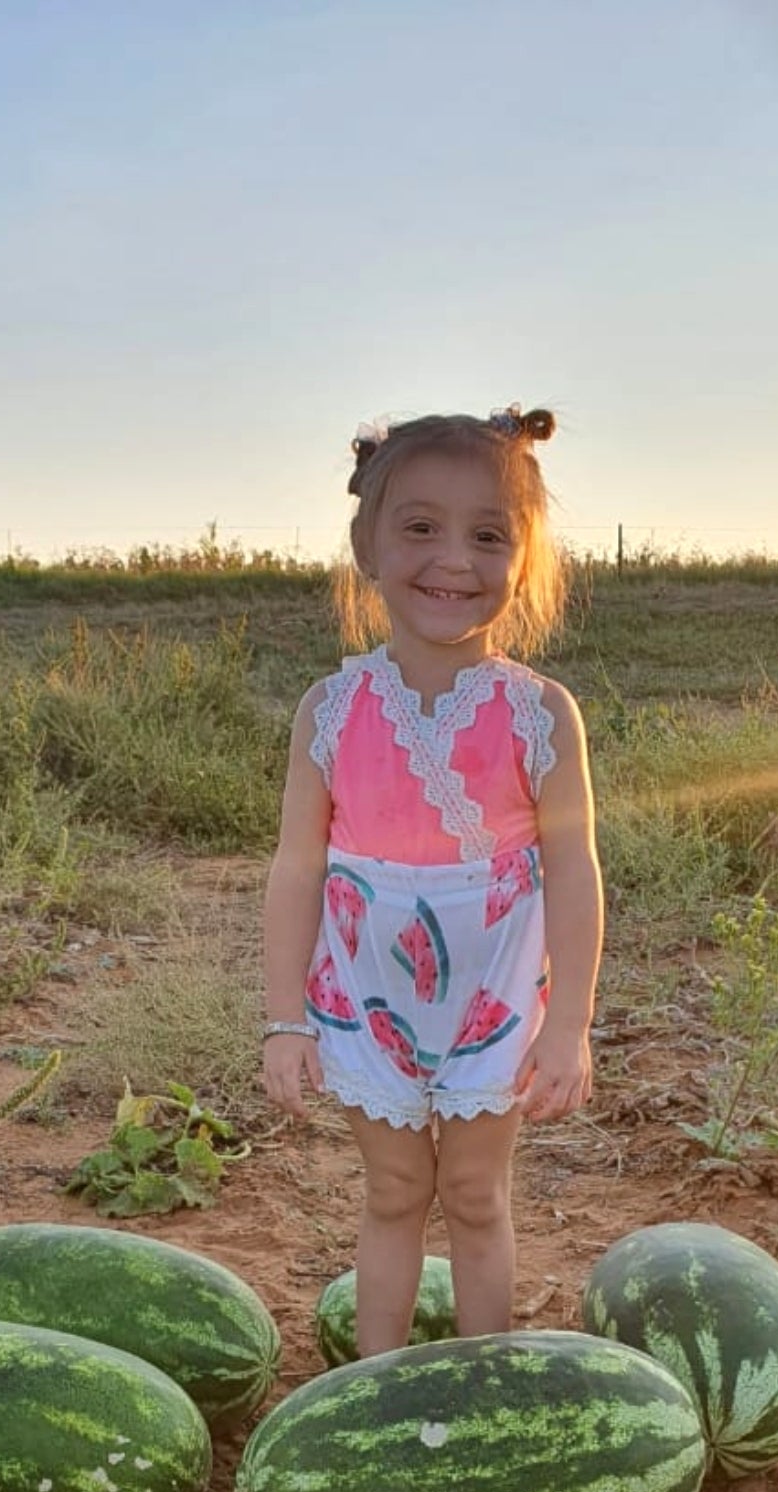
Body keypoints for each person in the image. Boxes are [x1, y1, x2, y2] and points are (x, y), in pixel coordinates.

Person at [262, 404, 603, 1357]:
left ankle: (477, 1383)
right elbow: (297, 868)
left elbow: (572, 872)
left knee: (474, 1197)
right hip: (367, 990)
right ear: (366, 542)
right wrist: (283, 1016)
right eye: (420, 527)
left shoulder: (539, 712)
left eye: (487, 536)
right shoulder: (329, 711)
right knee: (394, 1193)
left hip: (490, 993)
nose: (454, 559)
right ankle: (377, 1388)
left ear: (522, 558)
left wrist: (569, 1020)